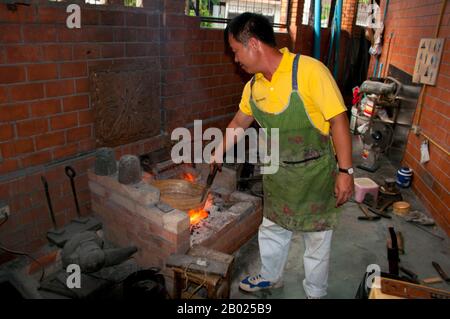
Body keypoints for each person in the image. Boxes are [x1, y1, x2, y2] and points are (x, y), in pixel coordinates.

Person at [211, 12, 354, 299]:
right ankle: (270, 276)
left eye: (236, 51)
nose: (235, 59)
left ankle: (315, 292)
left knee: (317, 239)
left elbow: (339, 120)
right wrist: (216, 152)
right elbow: (240, 123)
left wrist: (345, 171)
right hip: (279, 175)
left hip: (315, 176)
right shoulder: (254, 87)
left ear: (253, 44)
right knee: (273, 229)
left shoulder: (310, 71)